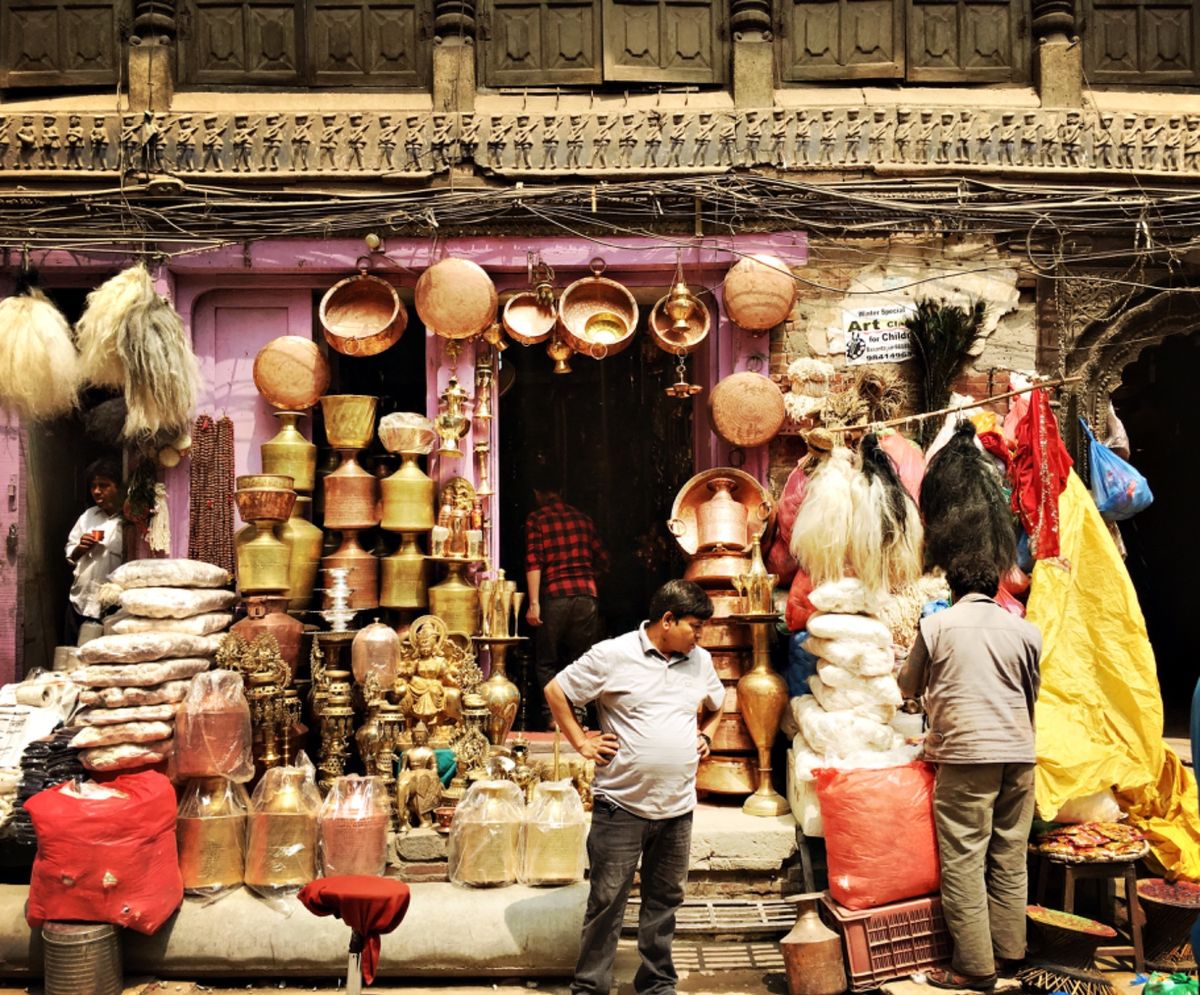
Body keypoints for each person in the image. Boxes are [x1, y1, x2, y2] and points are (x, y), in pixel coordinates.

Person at [545, 579, 723, 995]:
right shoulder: (613, 655)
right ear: (667, 620)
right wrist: (582, 742)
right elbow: (557, 691)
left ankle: (657, 983)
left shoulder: (700, 661)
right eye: (695, 626)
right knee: (607, 904)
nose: (700, 636)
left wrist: (708, 735)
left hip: (677, 809)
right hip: (621, 806)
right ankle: (590, 987)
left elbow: (717, 702)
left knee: (664, 903)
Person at [898, 558, 1041, 992]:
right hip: (1019, 753)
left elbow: (908, 684)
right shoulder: (1026, 630)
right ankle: (1009, 953)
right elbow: (1032, 690)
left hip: (966, 755)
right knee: (1009, 855)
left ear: (952, 588)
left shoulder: (938, 625)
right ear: (997, 587)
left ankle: (975, 967)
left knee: (964, 858)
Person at [524, 473, 607, 728]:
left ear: (538, 493)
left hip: (556, 595)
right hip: (585, 596)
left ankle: (553, 716)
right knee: (579, 659)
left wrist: (534, 602)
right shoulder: (583, 519)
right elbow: (602, 559)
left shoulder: (537, 519)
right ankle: (577, 717)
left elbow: (534, 561)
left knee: (547, 659)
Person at [64, 458, 125, 644]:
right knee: (72, 656)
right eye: (93, 486)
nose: (97, 491)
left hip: (111, 607)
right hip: (80, 601)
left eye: (104, 485)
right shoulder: (88, 516)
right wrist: (80, 549)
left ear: (118, 487)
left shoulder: (128, 521)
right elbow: (70, 551)